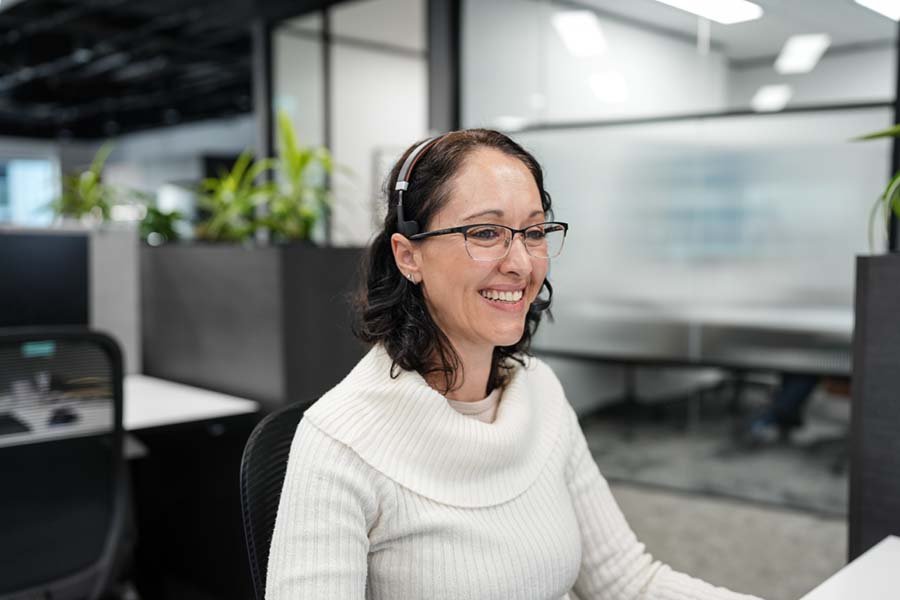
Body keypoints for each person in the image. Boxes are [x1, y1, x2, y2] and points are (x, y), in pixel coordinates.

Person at [266, 129, 763, 600]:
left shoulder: (538, 390)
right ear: (407, 255)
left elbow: (625, 583)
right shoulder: (340, 444)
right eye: (485, 232)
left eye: (534, 232)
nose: (521, 264)